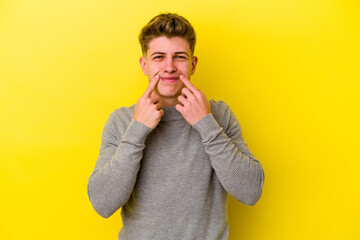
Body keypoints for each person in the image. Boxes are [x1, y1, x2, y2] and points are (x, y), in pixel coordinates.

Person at [87, 13, 264, 240]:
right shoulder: (122, 122)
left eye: (179, 57)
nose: (169, 67)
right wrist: (137, 130)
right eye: (159, 57)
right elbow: (102, 204)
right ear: (144, 65)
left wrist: (206, 124)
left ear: (193, 64)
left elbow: (250, 192)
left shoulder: (218, 115)